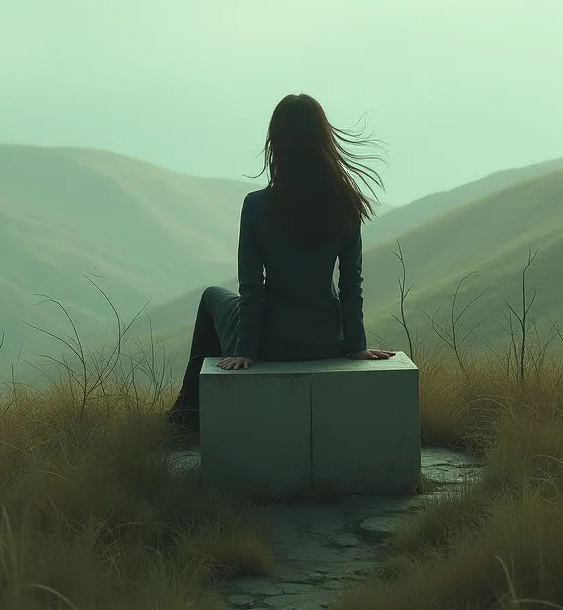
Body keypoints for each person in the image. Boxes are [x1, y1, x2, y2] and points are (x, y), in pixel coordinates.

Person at [167, 94, 395, 436]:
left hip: (270, 341)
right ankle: (189, 417)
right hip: (325, 340)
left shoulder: (257, 206)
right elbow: (351, 282)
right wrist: (357, 345)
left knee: (211, 296)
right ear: (324, 141)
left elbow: (251, 286)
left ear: (276, 144)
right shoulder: (345, 202)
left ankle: (186, 418)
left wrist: (245, 350)